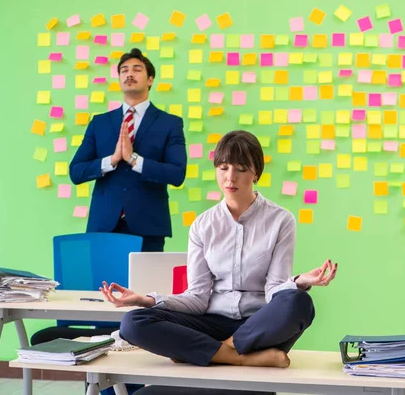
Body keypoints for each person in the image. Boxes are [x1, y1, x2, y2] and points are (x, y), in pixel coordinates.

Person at [100, 130, 338, 369]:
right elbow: (198, 298)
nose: (230, 178)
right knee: (132, 322)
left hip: (258, 327)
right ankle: (238, 357)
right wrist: (146, 299)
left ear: (255, 172)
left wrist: (299, 281)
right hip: (210, 322)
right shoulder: (203, 225)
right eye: (223, 168)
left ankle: (215, 349)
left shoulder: (281, 220)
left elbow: (274, 292)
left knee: (300, 302)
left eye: (240, 169)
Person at [70, 48, 187, 252]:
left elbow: (177, 173)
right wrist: (112, 160)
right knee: (101, 284)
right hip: (104, 226)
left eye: (136, 69)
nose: (129, 74)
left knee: (144, 285)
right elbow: (76, 171)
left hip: (148, 227)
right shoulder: (100, 123)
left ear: (150, 79)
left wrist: (134, 160)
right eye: (124, 70)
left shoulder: (170, 123)